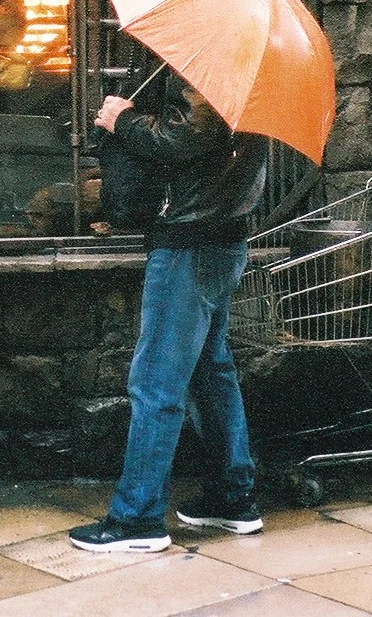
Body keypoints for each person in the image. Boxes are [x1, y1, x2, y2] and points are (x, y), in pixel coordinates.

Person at [69, 78, 270, 552]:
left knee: (156, 380)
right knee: (209, 371)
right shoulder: (244, 59)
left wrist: (123, 119)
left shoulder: (208, 58)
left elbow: (185, 137)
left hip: (189, 237)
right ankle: (231, 497)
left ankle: (137, 519)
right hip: (222, 233)